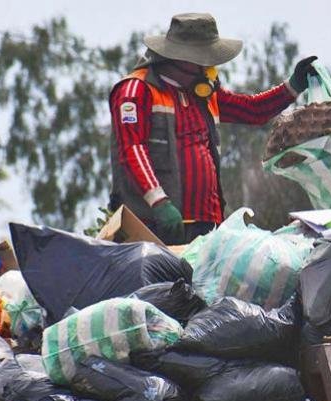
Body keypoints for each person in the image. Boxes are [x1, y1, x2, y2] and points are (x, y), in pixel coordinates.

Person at [108, 12, 316, 245]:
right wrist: (159, 201)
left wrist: (293, 86)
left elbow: (253, 110)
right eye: (204, 59)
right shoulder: (137, 90)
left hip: (206, 226)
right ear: (183, 59)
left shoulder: (202, 93)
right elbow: (131, 148)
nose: (209, 66)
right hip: (155, 226)